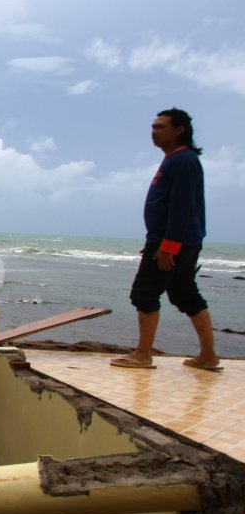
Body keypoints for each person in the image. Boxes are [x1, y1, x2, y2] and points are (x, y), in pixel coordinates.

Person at [111, 108, 222, 371]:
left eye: (160, 127)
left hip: (170, 243)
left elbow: (181, 206)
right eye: (153, 127)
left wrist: (168, 246)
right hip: (183, 240)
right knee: (185, 295)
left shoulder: (182, 160)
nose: (154, 132)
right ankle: (208, 355)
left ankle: (143, 355)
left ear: (179, 130)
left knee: (144, 293)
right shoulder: (176, 160)